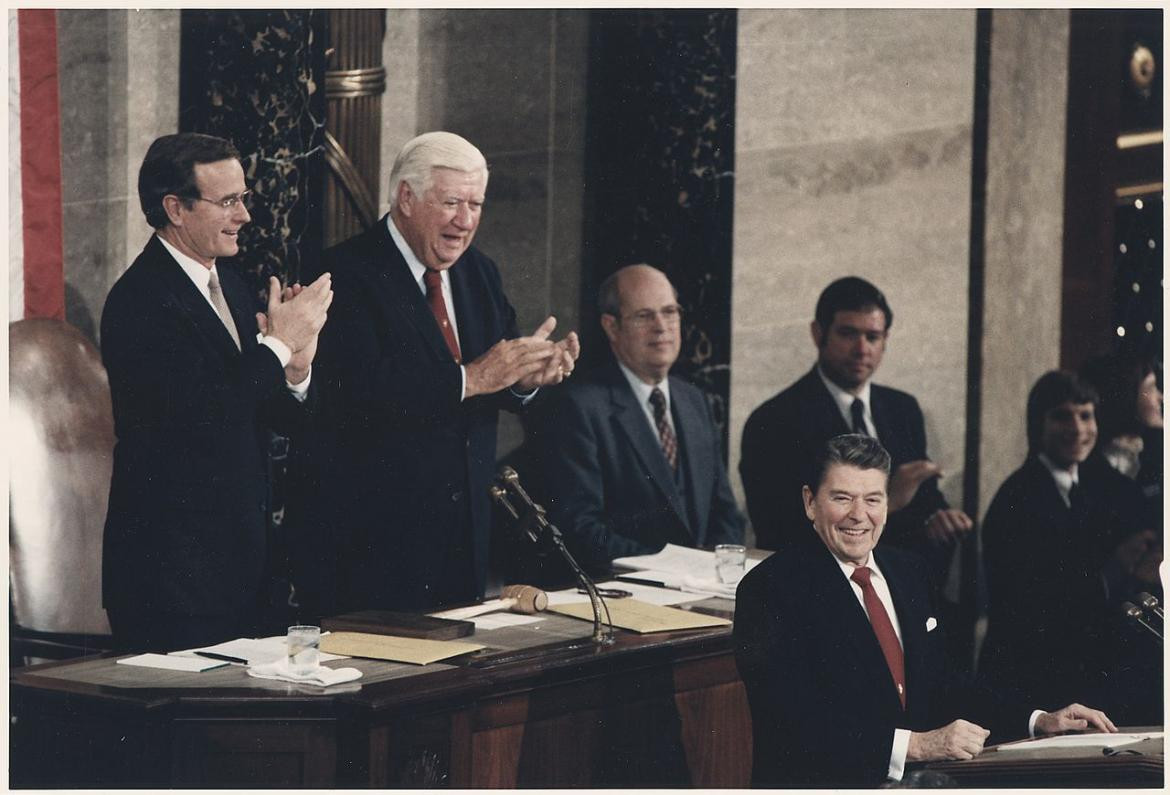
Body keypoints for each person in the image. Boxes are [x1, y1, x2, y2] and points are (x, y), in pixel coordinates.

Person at [733, 434, 1116, 789]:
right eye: (842, 498)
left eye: (873, 499)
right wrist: (915, 746)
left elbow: (946, 684)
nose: (858, 515)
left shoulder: (909, 571)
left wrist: (1039, 720)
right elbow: (793, 723)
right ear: (810, 502)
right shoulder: (771, 590)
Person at [304, 131, 579, 612]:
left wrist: (525, 380)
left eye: (476, 204)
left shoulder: (480, 273)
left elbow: (494, 380)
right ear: (406, 198)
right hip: (374, 547)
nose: (465, 221)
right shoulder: (343, 275)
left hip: (464, 542)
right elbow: (352, 397)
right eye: (452, 202)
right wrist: (469, 379)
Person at [101, 132, 332, 651]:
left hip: (243, 574)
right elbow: (203, 419)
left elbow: (270, 415)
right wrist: (275, 345)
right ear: (175, 209)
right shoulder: (139, 301)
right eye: (228, 201)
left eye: (243, 198)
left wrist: (297, 365)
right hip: (172, 582)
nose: (245, 215)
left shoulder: (231, 283)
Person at [739, 276, 972, 577]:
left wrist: (939, 518)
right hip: (816, 584)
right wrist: (889, 497)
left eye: (873, 337)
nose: (862, 349)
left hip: (896, 580)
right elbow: (777, 531)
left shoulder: (903, 409)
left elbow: (924, 499)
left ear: (885, 340)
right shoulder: (773, 421)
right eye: (848, 334)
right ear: (818, 333)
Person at [978, 371, 1161, 725]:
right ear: (1038, 424)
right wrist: (1114, 569)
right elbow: (1028, 605)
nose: (1077, 429)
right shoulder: (1015, 498)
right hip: (1034, 680)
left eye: (1086, 415)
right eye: (1062, 416)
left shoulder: (1105, 488)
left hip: (1095, 674)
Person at [541, 264, 745, 568]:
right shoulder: (580, 406)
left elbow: (725, 513)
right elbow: (581, 529)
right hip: (624, 595)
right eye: (644, 315)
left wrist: (713, 571)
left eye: (670, 311)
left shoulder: (694, 401)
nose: (661, 327)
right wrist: (672, 567)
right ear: (612, 327)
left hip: (701, 591)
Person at [1080, 351, 1163, 529]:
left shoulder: (1159, 456)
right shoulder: (1085, 463)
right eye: (1152, 387)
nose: (1161, 397)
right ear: (1127, 394)